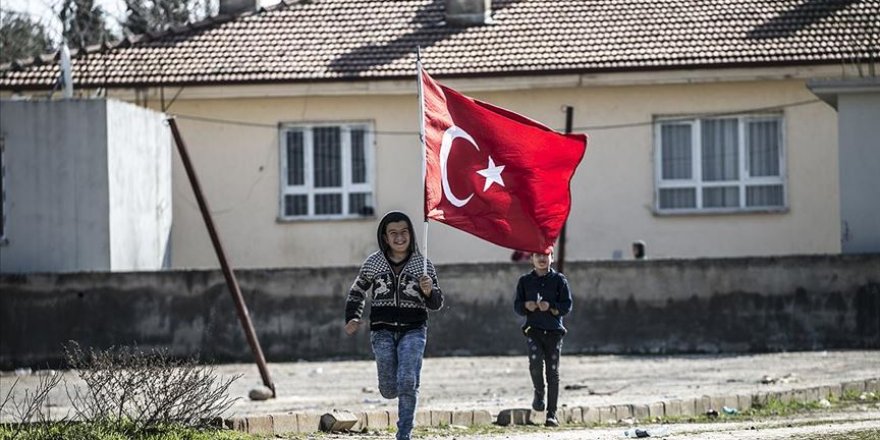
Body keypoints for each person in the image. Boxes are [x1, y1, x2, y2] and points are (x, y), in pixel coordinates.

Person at [344, 211, 444, 440]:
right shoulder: (373, 263)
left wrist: (429, 291)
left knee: (408, 380)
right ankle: (401, 391)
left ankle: (404, 434)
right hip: (382, 331)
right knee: (389, 389)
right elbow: (357, 292)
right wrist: (352, 317)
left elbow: (437, 303)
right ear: (385, 237)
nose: (400, 238)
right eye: (393, 233)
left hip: (414, 330)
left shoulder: (423, 265)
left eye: (404, 232)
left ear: (411, 234)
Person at [513, 247, 572, 427]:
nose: (541, 259)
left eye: (545, 255)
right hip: (534, 330)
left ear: (551, 257)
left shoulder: (559, 280)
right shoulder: (525, 281)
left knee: (552, 372)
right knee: (535, 363)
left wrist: (552, 306)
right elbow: (517, 306)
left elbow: (567, 305)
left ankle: (551, 414)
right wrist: (527, 306)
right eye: (537, 255)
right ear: (531, 258)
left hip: (554, 332)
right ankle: (539, 394)